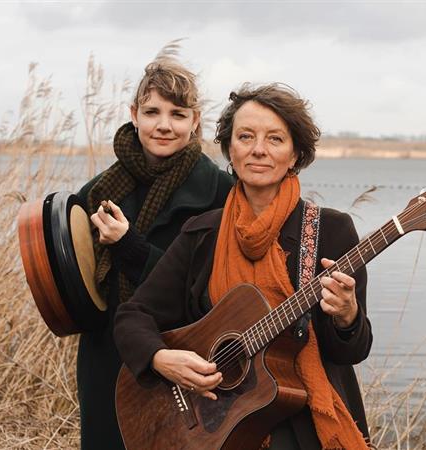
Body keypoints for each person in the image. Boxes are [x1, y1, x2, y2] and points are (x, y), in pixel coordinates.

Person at [114, 83, 372, 449]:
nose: (258, 150)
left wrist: (347, 316)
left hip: (306, 429)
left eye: (275, 139)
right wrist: (159, 357)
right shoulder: (203, 234)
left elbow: (352, 352)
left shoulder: (330, 230)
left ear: (295, 154)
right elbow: (132, 316)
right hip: (217, 428)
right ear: (230, 150)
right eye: (245, 136)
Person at [75, 54, 233, 449]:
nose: (164, 125)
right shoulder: (97, 191)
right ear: (134, 114)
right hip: (106, 353)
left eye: (178, 114)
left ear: (196, 121)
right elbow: (72, 276)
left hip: (185, 354)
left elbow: (200, 289)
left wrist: (128, 245)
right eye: (152, 112)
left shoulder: (220, 193)